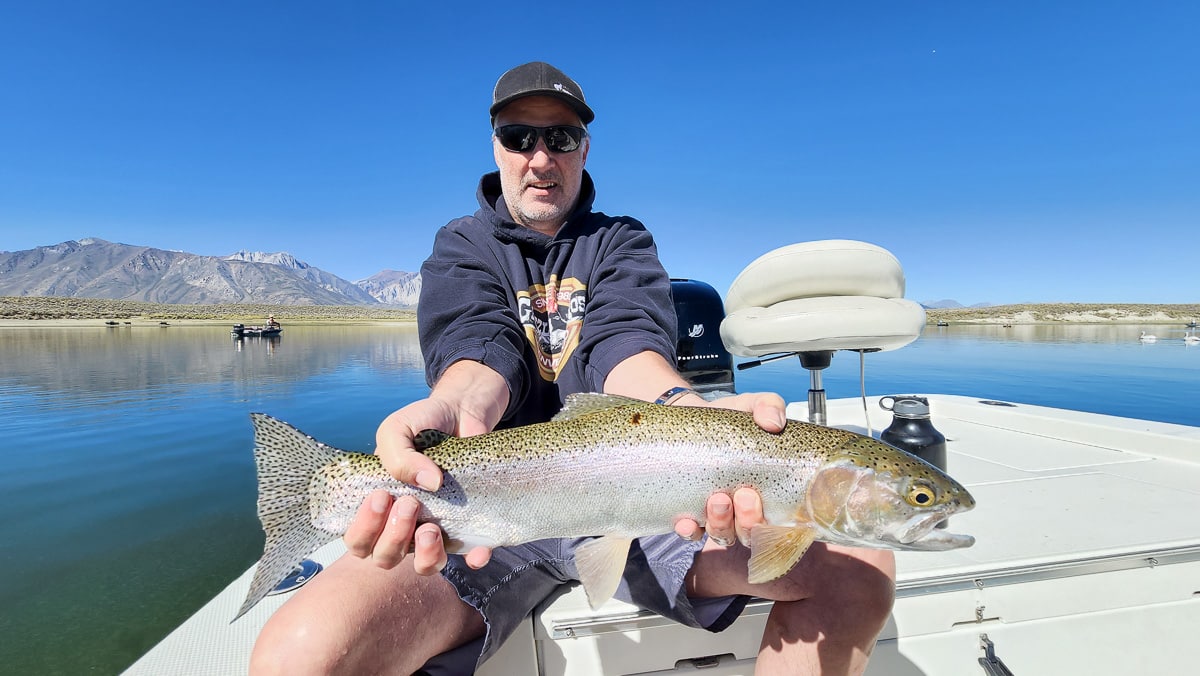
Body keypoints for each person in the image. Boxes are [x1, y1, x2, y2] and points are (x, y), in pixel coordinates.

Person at [251, 62, 895, 675]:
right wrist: (460, 406)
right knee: (298, 656)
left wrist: (684, 411)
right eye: (518, 137)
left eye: (559, 137)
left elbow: (625, 344)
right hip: (488, 511)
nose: (540, 157)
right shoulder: (461, 246)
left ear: (584, 148)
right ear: (496, 147)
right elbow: (480, 348)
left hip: (649, 502)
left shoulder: (621, 241)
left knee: (859, 568)